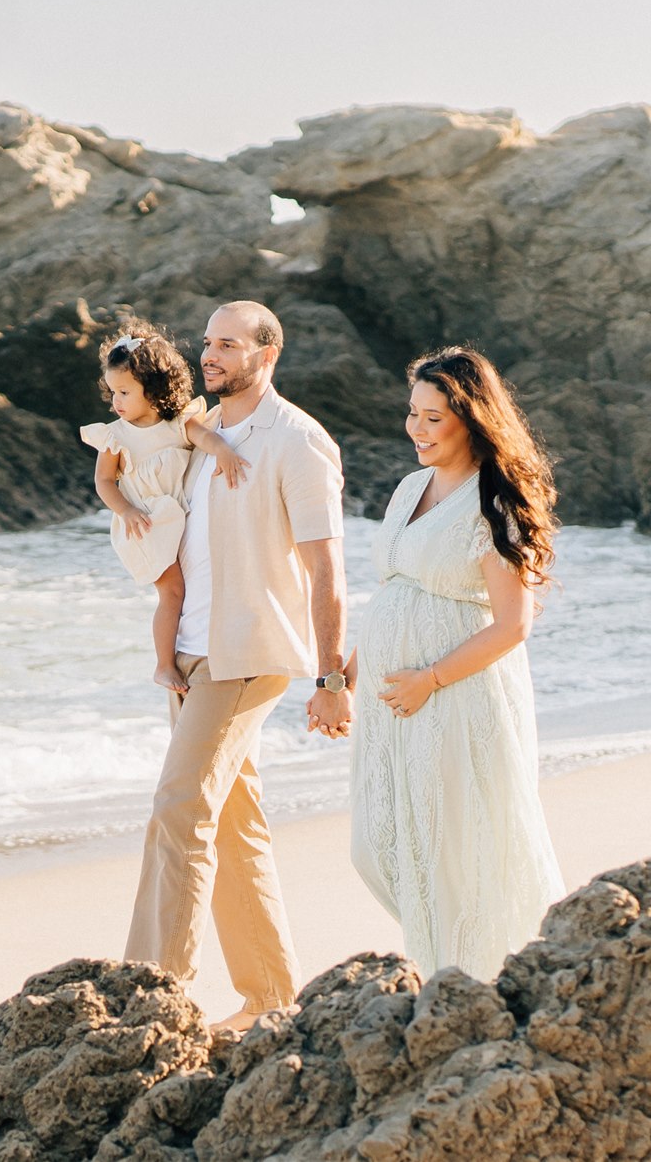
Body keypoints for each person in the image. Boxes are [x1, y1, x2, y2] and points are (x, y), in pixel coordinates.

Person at [124, 300, 349, 1034]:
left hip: (247, 652)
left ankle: (153, 993)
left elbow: (326, 569)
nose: (211, 353)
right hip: (191, 654)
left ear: (267, 353)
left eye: (229, 343)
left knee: (179, 803)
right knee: (229, 823)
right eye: (207, 341)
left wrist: (330, 679)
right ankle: (271, 997)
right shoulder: (200, 430)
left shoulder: (298, 442)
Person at [345, 345, 566, 981]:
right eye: (412, 413)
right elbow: (396, 590)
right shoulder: (410, 486)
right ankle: (447, 965)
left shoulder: (494, 501)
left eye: (433, 417)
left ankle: (460, 978)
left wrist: (430, 679)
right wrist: (346, 676)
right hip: (393, 701)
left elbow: (512, 624)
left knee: (454, 847)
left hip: (455, 696)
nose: (416, 428)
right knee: (379, 847)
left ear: (469, 418)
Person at [80, 321, 251, 694]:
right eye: (113, 393)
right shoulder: (116, 436)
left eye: (125, 392)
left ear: (154, 387)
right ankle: (163, 665)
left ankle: (207, 644)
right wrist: (126, 511)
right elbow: (104, 483)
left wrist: (223, 450)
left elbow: (205, 436)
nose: (117, 402)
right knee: (172, 591)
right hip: (143, 522)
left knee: (194, 583)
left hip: (176, 518)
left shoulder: (177, 423)